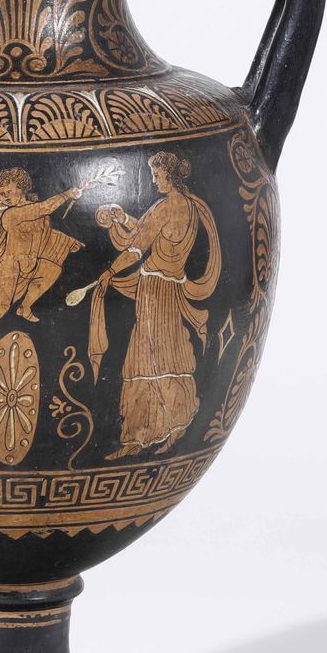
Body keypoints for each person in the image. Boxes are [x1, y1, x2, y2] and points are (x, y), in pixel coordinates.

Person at [86, 152, 221, 460]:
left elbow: (136, 249)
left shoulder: (164, 208)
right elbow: (151, 233)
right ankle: (157, 431)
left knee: (147, 358)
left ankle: (150, 432)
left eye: (158, 176)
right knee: (167, 355)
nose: (154, 181)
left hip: (155, 291)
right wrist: (123, 219)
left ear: (170, 177)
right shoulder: (190, 207)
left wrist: (108, 272)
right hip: (170, 289)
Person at [0, 167, 82, 354]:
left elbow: (43, 233)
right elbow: (44, 208)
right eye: (0, 194)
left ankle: (25, 307)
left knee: (53, 270)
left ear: (21, 187)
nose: (4, 197)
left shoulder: (35, 211)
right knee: (1, 307)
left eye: (8, 192)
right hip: (9, 266)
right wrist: (66, 194)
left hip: (31, 262)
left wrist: (66, 242)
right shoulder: (11, 214)